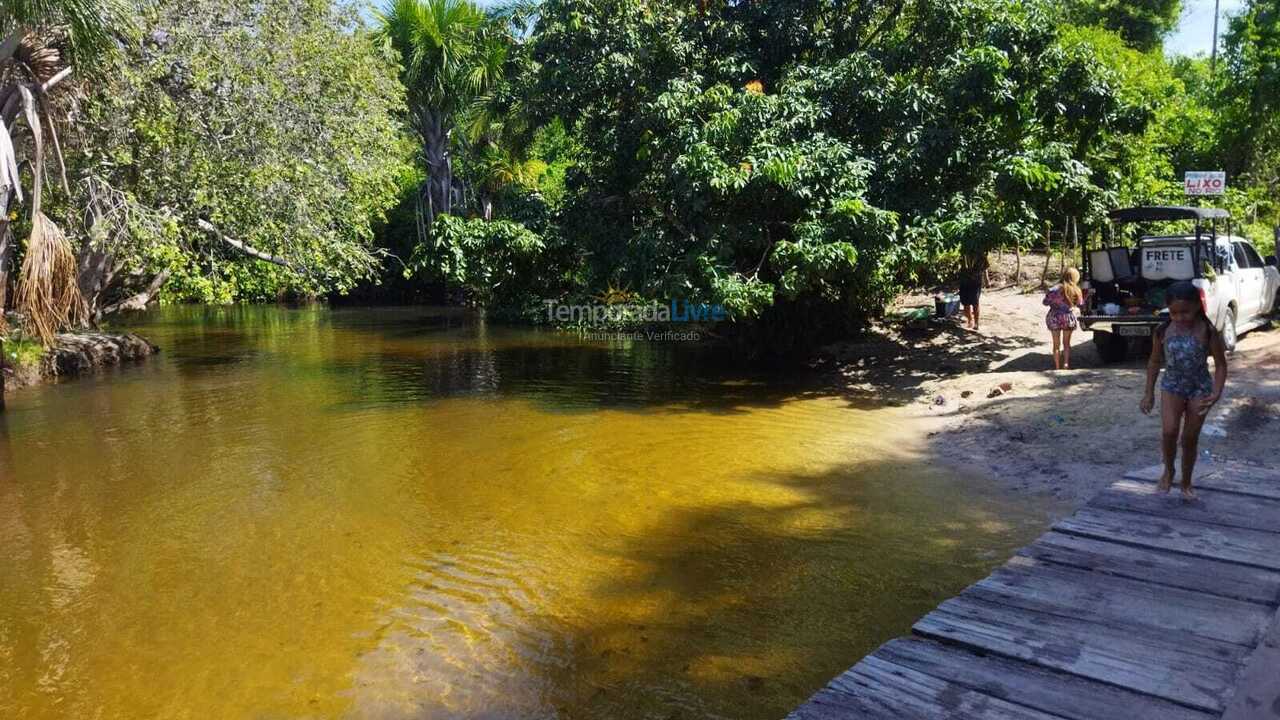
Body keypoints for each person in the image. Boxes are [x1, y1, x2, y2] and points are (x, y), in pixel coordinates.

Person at [1139, 281, 1228, 499]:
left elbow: (1221, 365)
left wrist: (1216, 392)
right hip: (1172, 386)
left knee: (1189, 438)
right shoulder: (1162, 331)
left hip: (1200, 388)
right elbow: (1153, 362)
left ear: (1198, 306)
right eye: (1174, 312)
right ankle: (1169, 471)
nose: (1180, 317)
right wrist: (1148, 393)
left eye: (1185, 312)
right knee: (1169, 432)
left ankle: (1186, 482)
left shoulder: (1207, 331)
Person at [1043, 268, 1085, 369]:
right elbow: (1081, 304)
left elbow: (1045, 302)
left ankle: (1057, 367)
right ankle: (1066, 364)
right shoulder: (1076, 289)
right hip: (1068, 318)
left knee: (1056, 345)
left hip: (1054, 318)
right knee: (1066, 344)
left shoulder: (1054, 289)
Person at [958, 262, 984, 331]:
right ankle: (970, 320)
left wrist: (976, 272)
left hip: (975, 281)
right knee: (965, 303)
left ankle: (976, 323)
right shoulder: (963, 254)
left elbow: (986, 265)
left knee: (975, 303)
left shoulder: (979, 254)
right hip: (964, 281)